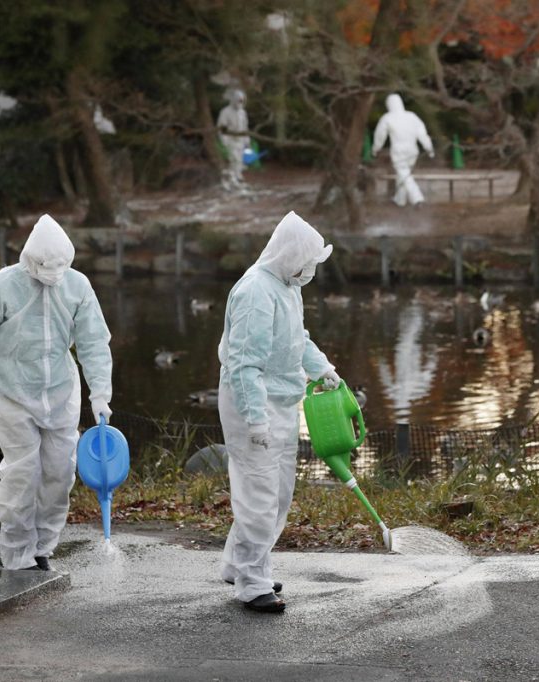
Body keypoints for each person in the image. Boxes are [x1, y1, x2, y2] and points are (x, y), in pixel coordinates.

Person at [0, 214, 113, 572]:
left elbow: (93, 342)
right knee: (22, 474)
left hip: (61, 389)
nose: (53, 275)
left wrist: (100, 393)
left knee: (60, 472)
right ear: (30, 259)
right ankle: (17, 553)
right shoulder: (0, 287)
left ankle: (43, 545)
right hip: (14, 392)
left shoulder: (77, 286)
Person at [217, 210, 341, 613]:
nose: (311, 270)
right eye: (308, 261)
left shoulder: (287, 287)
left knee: (278, 490)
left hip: (284, 399)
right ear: (290, 255)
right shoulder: (256, 291)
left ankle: (240, 563)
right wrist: (255, 417)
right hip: (252, 401)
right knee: (259, 491)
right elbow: (244, 363)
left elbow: (296, 339)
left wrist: (322, 368)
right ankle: (253, 582)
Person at [372, 93, 435, 207]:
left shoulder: (387, 118)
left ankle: (417, 199)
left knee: (404, 174)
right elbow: (422, 134)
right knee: (404, 174)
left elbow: (380, 135)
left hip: (398, 150)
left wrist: (376, 148)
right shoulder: (412, 116)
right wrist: (429, 148)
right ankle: (399, 200)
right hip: (413, 150)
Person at [216, 88, 250, 192]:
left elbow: (245, 126)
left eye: (242, 101)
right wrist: (224, 141)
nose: (240, 103)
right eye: (239, 100)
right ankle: (232, 180)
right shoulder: (225, 112)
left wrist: (246, 140)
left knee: (239, 160)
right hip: (231, 140)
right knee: (233, 159)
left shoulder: (243, 112)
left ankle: (238, 178)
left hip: (240, 140)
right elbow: (221, 128)